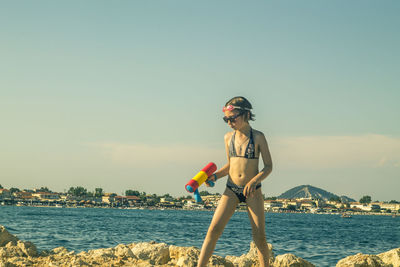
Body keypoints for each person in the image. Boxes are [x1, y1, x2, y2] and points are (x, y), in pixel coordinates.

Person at [197, 96, 273, 267]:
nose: (229, 122)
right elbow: (230, 165)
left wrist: (254, 181)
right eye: (226, 119)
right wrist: (215, 176)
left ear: (246, 114)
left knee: (259, 236)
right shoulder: (228, 138)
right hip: (231, 189)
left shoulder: (259, 137)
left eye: (233, 118)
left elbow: (268, 166)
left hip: (252, 191)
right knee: (214, 230)